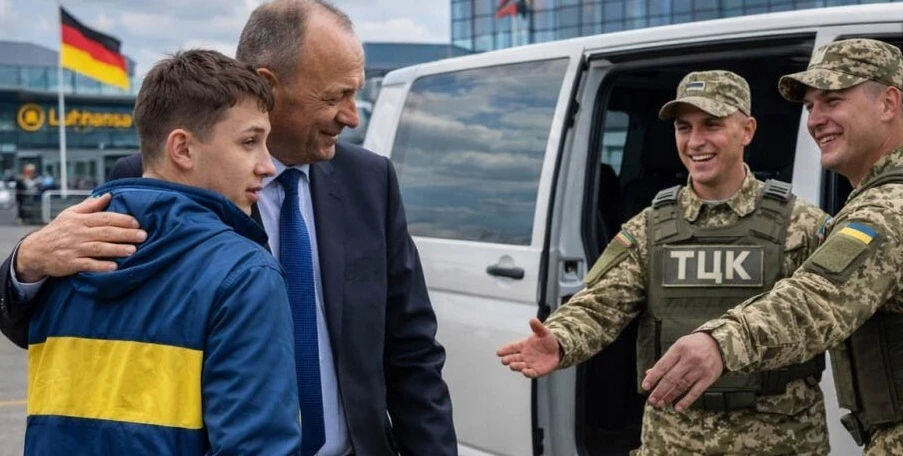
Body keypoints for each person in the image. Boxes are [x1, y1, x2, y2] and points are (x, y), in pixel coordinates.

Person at [0, 1, 457, 455]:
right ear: (269, 85)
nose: (352, 116)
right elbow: (79, 333)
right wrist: (26, 264)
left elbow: (411, 351)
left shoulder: (370, 182)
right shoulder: (147, 184)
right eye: (333, 97)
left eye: (354, 94)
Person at [496, 70, 831, 455]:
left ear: (747, 130)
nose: (695, 141)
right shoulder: (650, 228)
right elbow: (601, 303)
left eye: (712, 125)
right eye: (683, 127)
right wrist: (560, 338)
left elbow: (834, 308)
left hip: (781, 439)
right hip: (675, 440)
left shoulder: (800, 225)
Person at [24, 49, 302, 455]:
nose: (267, 165)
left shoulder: (58, 257)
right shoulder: (245, 274)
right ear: (182, 149)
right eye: (249, 142)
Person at [641, 38, 903, 454]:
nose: (815, 120)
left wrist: (720, 343)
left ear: (888, 103)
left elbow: (816, 299)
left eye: (833, 100)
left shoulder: (888, 209)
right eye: (810, 106)